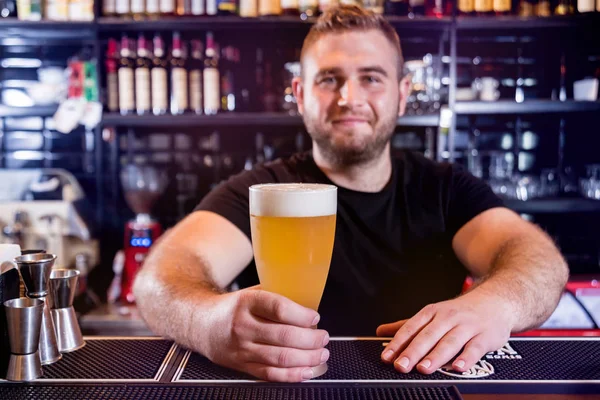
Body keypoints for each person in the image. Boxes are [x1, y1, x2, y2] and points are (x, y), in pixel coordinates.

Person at [133, 5, 568, 383]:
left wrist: (495, 305)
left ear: (401, 96)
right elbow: (159, 280)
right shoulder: (261, 191)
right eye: (329, 79)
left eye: (371, 78)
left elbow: (538, 260)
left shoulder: (445, 188)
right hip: (289, 387)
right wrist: (208, 323)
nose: (349, 97)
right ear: (301, 96)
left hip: (422, 386)